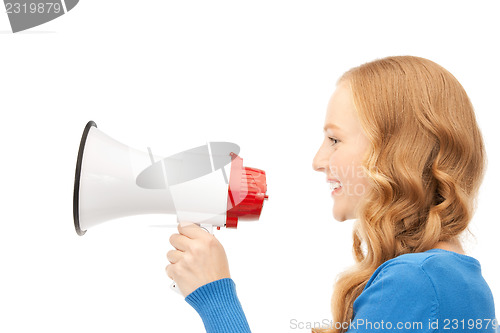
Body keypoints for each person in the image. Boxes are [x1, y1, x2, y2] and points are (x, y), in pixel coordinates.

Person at [165, 56, 498, 333]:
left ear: (396, 152)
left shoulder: (417, 282)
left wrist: (215, 297)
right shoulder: (448, 279)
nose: (318, 161)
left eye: (335, 140)